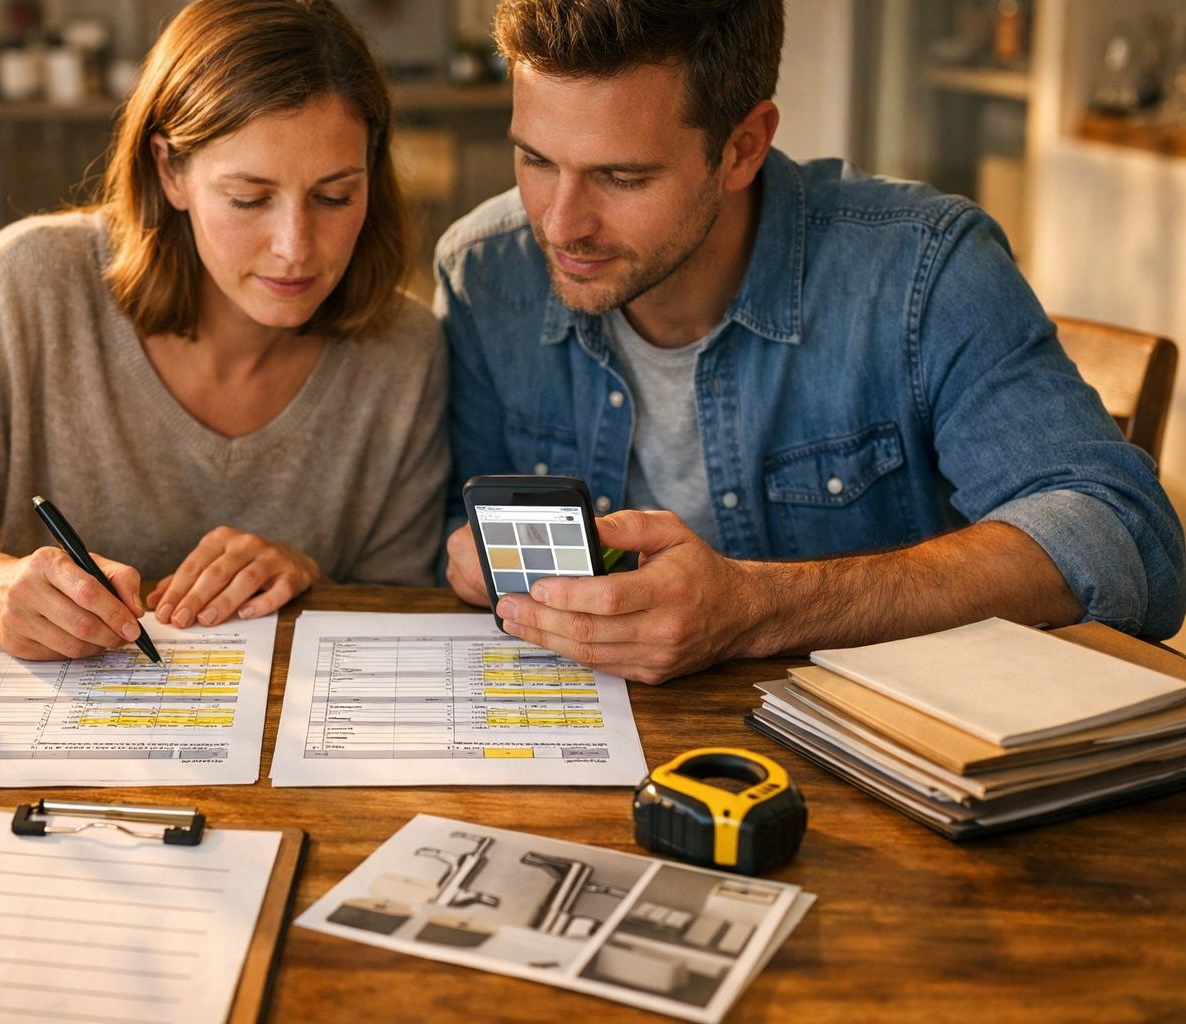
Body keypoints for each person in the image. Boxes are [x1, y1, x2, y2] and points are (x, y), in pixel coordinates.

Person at [438, 0, 1184, 683]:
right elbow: (452, 530)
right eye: (535, 159)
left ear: (743, 146)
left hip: (884, 771)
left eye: (622, 176)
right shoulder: (485, 274)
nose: (561, 225)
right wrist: (467, 561)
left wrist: (757, 607)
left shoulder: (924, 268)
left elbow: (1125, 538)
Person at [0, 0, 446, 660]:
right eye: (249, 198)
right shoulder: (36, 286)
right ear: (170, 169)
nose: (296, 246)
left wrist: (310, 577)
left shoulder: (404, 352)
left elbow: (409, 616)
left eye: (335, 196)